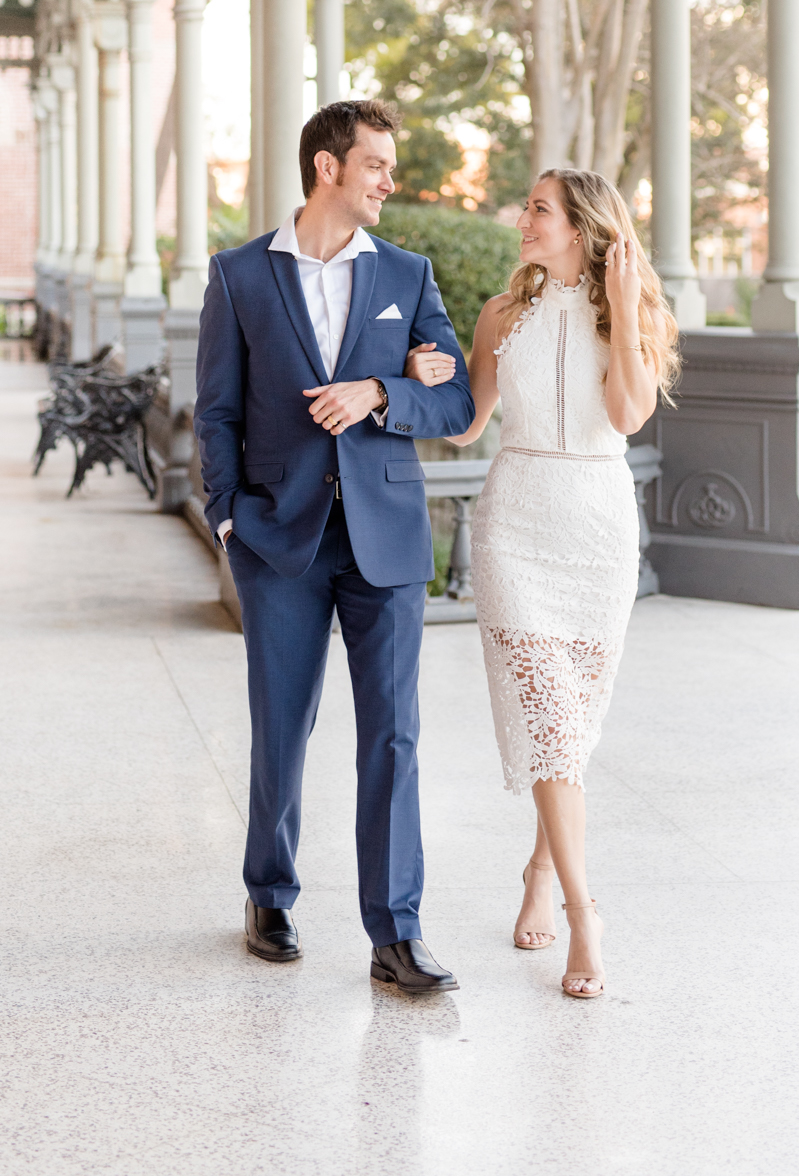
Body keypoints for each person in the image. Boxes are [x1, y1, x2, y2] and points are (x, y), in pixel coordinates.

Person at [194, 98, 475, 994]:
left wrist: (380, 391)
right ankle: (268, 893)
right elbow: (217, 410)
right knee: (282, 728)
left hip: (384, 538)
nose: (391, 182)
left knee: (392, 735)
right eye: (378, 167)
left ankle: (396, 933)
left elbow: (456, 402)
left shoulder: (408, 273)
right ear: (329, 168)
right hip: (277, 540)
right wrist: (230, 516)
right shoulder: (239, 275)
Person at [419, 169, 678, 1000]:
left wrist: (625, 301)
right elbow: (465, 424)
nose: (521, 219)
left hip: (596, 528)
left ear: (581, 226)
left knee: (571, 727)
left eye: (537, 209)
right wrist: (427, 377)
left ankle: (537, 866)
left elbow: (630, 414)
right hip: (515, 527)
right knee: (546, 717)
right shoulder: (502, 315)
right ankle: (582, 913)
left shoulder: (627, 314)